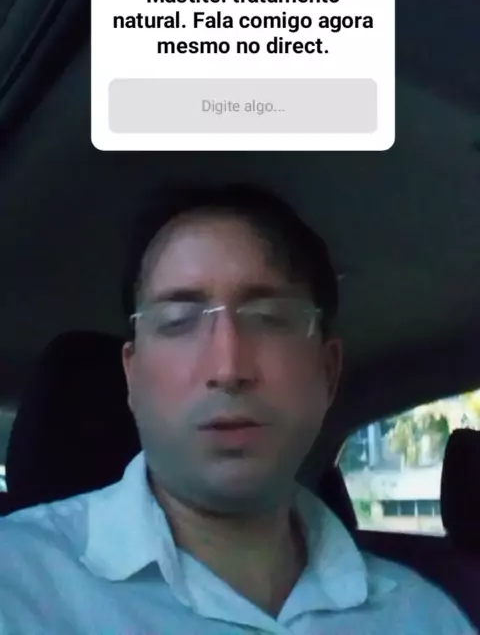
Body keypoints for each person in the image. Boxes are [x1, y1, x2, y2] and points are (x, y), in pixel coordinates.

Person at [0, 183, 474, 634]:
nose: (228, 369)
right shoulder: (17, 584)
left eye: (268, 319)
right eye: (178, 321)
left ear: (327, 373)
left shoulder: (422, 615)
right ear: (133, 377)